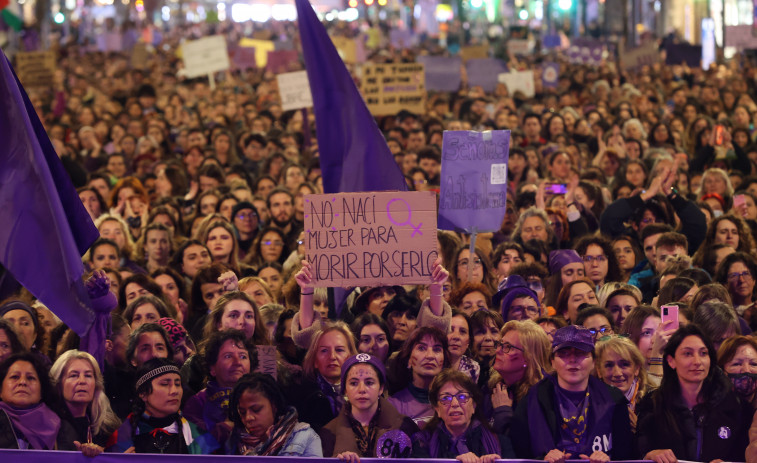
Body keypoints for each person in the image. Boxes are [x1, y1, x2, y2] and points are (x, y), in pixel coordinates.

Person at [510, 325, 634, 461]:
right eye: (563, 353)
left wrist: (608, 460)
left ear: (593, 362)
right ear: (552, 362)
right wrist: (542, 460)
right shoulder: (532, 400)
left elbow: (626, 454)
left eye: (581, 353)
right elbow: (517, 453)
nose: (572, 360)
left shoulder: (614, 399)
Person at [636, 324, 751, 462]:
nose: (697, 361)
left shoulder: (735, 406)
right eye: (688, 353)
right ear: (671, 361)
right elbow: (636, 450)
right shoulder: (653, 405)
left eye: (703, 353)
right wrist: (649, 455)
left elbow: (745, 455)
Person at [108, 358, 219, 454]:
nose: (174, 391)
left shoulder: (200, 439)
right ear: (143, 393)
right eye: (165, 384)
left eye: (177, 384)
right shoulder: (122, 437)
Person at [320, 353, 419, 459]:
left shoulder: (405, 426)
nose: (362, 389)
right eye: (354, 383)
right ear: (345, 390)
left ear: (381, 388)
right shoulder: (328, 432)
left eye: (369, 383)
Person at [412, 369, 514, 460]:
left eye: (462, 397)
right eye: (446, 398)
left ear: (473, 405)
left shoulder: (501, 443)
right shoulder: (422, 442)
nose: (455, 404)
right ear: (437, 409)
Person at [184, 330, 257, 444]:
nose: (237, 362)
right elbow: (196, 444)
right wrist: (225, 428)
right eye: (228, 356)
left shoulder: (262, 398)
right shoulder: (198, 402)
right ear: (212, 368)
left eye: (243, 356)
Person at [226, 372, 322, 456]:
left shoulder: (305, 437)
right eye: (242, 413)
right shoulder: (233, 441)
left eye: (256, 409)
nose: (248, 418)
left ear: (274, 406)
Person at [0, 353, 77, 450]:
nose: (22, 382)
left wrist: (90, 456)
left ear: (41, 391)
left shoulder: (62, 429)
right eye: (15, 377)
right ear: (0, 390)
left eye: (30, 378)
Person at [50, 350, 121, 455]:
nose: (82, 381)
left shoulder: (108, 428)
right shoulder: (49, 425)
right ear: (58, 384)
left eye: (88, 375)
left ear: (96, 385)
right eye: (74, 375)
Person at [488, 319, 551, 434]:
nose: (498, 351)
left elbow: (521, 446)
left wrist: (503, 411)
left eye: (508, 347)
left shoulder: (541, 397)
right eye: (500, 344)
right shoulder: (493, 387)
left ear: (528, 357)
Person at [387, 327, 449, 427]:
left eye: (437, 349)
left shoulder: (452, 401)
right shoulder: (393, 405)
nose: (430, 356)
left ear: (444, 360)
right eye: (421, 348)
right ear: (409, 359)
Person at [594, 335, 652, 431]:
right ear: (599, 371)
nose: (617, 373)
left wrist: (641, 430)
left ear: (636, 368)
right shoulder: (588, 402)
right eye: (609, 365)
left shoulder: (654, 400)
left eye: (624, 364)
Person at [717, 335, 757, 410]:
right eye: (737, 364)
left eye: (754, 364)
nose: (746, 370)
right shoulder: (712, 408)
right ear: (721, 369)